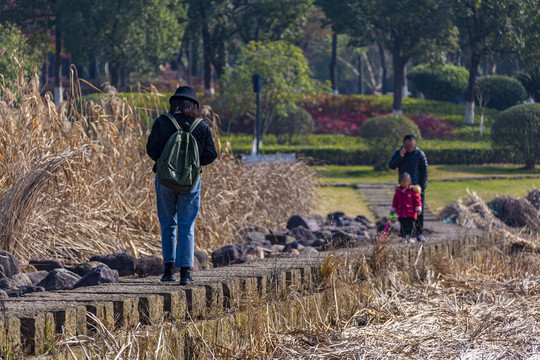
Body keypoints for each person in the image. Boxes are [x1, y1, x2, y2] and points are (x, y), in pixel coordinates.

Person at [146, 86, 217, 285]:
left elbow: (151, 149)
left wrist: (164, 162)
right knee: (187, 225)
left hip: (165, 179)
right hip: (191, 182)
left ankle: (168, 271)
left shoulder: (163, 122)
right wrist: (193, 165)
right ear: (194, 106)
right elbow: (211, 154)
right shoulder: (200, 126)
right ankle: (185, 273)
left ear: (174, 103)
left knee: (168, 223)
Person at [389, 134, 428, 242]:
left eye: (411, 145)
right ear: (404, 144)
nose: (409, 148)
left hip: (416, 188)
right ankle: (406, 234)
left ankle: (419, 233)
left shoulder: (420, 154)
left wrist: (422, 187)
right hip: (403, 187)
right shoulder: (399, 152)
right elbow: (391, 165)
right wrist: (400, 156)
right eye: (407, 145)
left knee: (419, 211)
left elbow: (425, 171)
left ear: (414, 144)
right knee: (404, 212)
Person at [390, 173, 422, 243]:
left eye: (405, 182)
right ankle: (404, 237)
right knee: (403, 225)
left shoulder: (412, 191)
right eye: (402, 182)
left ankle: (411, 237)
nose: (403, 183)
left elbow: (417, 200)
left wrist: (418, 208)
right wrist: (393, 210)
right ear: (400, 182)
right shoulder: (398, 192)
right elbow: (395, 202)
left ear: (409, 182)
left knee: (411, 225)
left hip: (411, 213)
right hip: (401, 213)